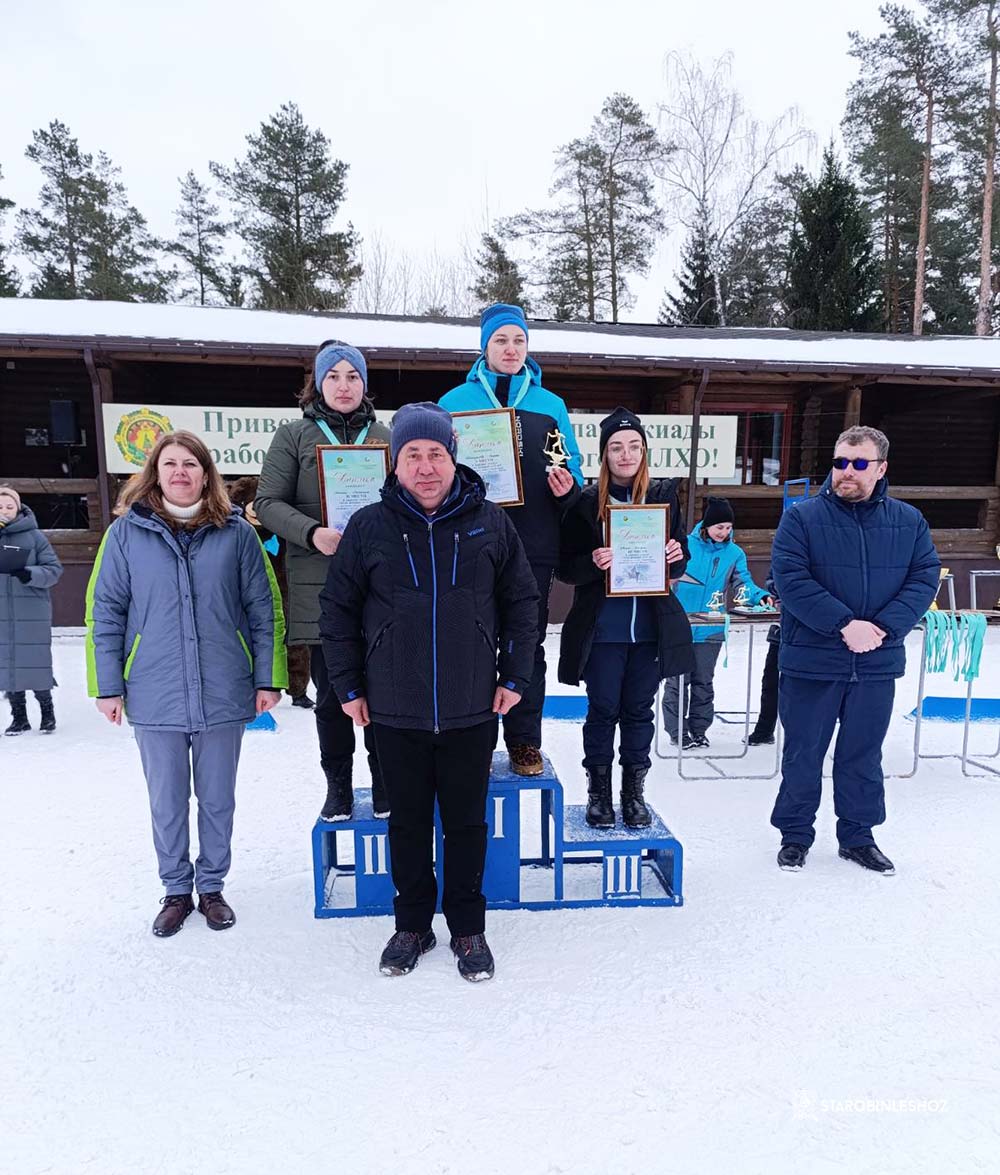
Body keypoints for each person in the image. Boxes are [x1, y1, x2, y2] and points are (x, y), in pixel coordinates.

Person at [320, 402, 538, 982]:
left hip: (472, 706)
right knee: (408, 823)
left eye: (435, 454)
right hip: (395, 708)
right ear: (394, 463)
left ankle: (468, 928)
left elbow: (522, 603)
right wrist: (347, 684)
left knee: (467, 823)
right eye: (412, 455)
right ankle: (412, 924)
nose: (424, 466)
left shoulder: (490, 523)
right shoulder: (369, 526)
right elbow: (337, 610)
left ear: (452, 458)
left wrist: (515, 676)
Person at [86, 431, 288, 937]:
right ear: (154, 472)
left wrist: (268, 677)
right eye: (170, 463)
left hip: (223, 685)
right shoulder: (125, 535)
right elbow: (105, 611)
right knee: (167, 799)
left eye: (191, 464)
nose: (180, 472)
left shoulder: (237, 533)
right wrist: (108, 685)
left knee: (218, 797)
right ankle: (176, 890)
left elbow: (264, 609)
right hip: (154, 689)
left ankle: (212, 886)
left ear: (206, 474)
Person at [770, 426, 939, 875]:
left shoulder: (909, 521)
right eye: (841, 462)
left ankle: (858, 836)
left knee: (863, 754)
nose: (847, 471)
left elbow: (924, 579)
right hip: (812, 658)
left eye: (859, 464)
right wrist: (844, 624)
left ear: (881, 469)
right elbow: (790, 578)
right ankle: (795, 835)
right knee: (803, 752)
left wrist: (881, 628)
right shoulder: (801, 518)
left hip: (876, 661)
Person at [439, 303, 583, 777]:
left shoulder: (549, 406)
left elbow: (570, 468)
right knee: (471, 639)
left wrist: (567, 487)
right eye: (501, 340)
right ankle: (474, 736)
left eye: (519, 341)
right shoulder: (455, 403)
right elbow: (436, 472)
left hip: (532, 544)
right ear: (484, 347)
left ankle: (524, 740)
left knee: (527, 642)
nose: (511, 349)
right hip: (468, 541)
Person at [255, 340, 391, 821]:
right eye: (333, 376)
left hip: (382, 591)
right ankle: (338, 787)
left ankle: (384, 784)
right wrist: (313, 533)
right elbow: (267, 503)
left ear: (364, 384)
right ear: (318, 383)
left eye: (353, 376)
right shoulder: (293, 435)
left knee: (385, 695)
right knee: (333, 698)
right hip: (321, 589)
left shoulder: (384, 434)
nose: (344, 385)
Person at [558, 409, 694, 828]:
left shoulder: (663, 495)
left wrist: (676, 556)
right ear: (604, 455)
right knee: (602, 711)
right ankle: (598, 794)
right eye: (616, 447)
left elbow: (679, 557)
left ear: (644, 451)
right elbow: (566, 567)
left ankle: (633, 794)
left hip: (650, 630)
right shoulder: (584, 503)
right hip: (603, 631)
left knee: (639, 712)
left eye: (634, 445)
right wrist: (594, 562)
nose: (626, 453)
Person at [663, 496, 772, 748]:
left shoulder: (734, 554)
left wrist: (761, 595)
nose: (724, 532)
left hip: (711, 628)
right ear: (706, 525)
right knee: (678, 682)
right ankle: (677, 731)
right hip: (680, 625)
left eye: (728, 528)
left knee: (703, 681)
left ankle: (699, 729)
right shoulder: (685, 545)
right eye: (719, 527)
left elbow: (742, 583)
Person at [227, 475, 314, 709]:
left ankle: (298, 688)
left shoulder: (283, 530)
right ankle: (253, 686)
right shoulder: (236, 533)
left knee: (294, 639)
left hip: (287, 590)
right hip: (247, 594)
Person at [0, 486, 63, 735]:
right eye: (0, 507)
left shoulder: (35, 536)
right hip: (2, 612)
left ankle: (47, 713)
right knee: (7, 662)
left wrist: (29, 574)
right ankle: (19, 718)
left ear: (18, 509)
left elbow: (54, 570)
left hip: (31, 609)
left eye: (9, 506)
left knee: (35, 663)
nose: (4, 511)